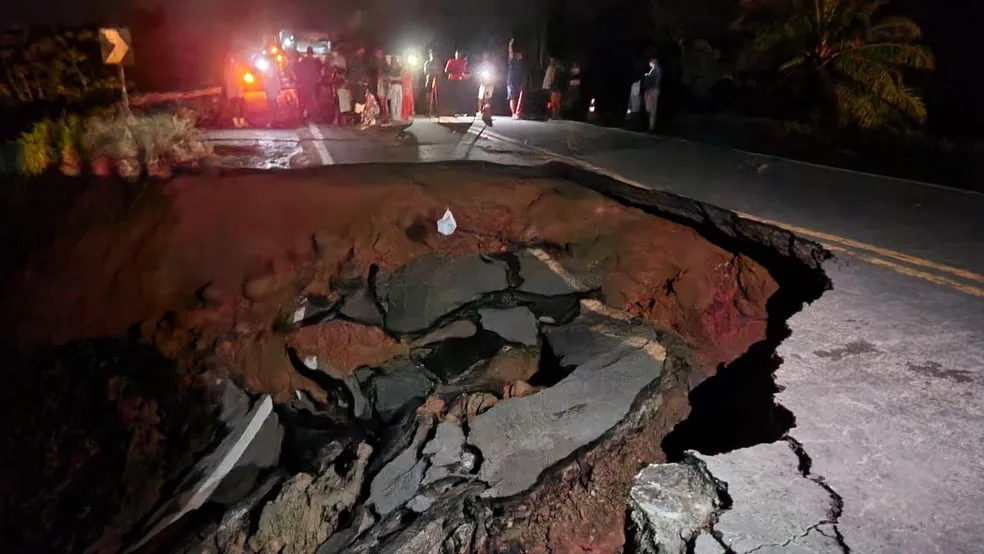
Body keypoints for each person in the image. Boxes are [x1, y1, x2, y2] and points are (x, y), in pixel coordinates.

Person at [294, 47, 323, 120]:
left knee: (303, 100)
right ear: (312, 53)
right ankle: (314, 115)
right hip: (313, 84)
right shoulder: (317, 61)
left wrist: (299, 80)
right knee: (313, 100)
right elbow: (321, 72)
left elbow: (296, 71)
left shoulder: (302, 61)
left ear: (307, 53)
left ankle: (302, 115)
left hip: (304, 84)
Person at [223, 55, 247, 128]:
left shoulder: (227, 70)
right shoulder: (236, 69)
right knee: (240, 106)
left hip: (232, 92)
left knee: (235, 107)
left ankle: (237, 123)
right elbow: (237, 82)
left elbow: (227, 81)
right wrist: (240, 93)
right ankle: (239, 123)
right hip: (236, 92)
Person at [507, 39, 527, 119]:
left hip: (519, 80)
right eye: (520, 54)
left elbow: (523, 72)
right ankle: (513, 113)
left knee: (520, 96)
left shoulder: (522, 62)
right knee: (512, 97)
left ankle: (518, 113)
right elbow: (510, 52)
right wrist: (510, 44)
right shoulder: (512, 59)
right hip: (511, 80)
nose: (521, 55)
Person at [643, 56, 662, 131]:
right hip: (651, 90)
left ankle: (651, 127)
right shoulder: (653, 70)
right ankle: (650, 126)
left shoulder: (657, 70)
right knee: (649, 108)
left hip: (653, 90)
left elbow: (656, 81)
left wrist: (651, 88)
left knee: (652, 108)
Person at [422, 49, 442, 115]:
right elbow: (426, 72)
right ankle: (427, 111)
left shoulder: (438, 63)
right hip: (429, 81)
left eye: (434, 54)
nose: (433, 56)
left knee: (437, 97)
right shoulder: (427, 63)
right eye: (432, 54)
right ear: (430, 55)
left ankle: (437, 111)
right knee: (428, 96)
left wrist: (435, 72)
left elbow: (440, 72)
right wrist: (433, 72)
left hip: (437, 82)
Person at [476, 52, 495, 116]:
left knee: (488, 98)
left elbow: (494, 74)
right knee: (480, 97)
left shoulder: (492, 65)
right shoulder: (481, 65)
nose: (486, 57)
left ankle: (487, 111)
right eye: (485, 56)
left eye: (487, 56)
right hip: (483, 83)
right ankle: (479, 111)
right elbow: (478, 73)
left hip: (490, 84)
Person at [387, 56, 404, 122]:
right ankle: (394, 116)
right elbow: (389, 78)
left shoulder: (399, 68)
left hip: (399, 85)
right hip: (393, 86)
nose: (395, 62)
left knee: (399, 101)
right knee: (393, 101)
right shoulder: (390, 69)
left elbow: (401, 77)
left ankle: (398, 116)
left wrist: (395, 78)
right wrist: (396, 78)